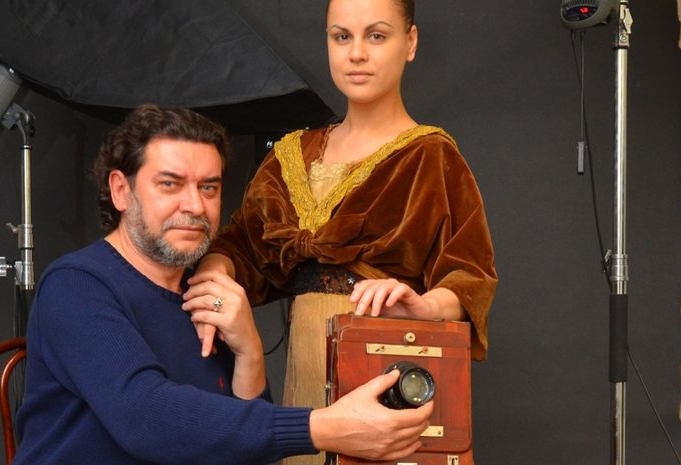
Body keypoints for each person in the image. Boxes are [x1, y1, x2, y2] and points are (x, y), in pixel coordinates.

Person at [12, 103, 434, 465]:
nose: (195, 205)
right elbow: (144, 417)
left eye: (208, 187)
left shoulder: (209, 294)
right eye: (170, 184)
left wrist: (249, 352)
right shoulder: (77, 286)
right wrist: (325, 427)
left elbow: (248, 453)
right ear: (121, 191)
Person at [193, 2, 497, 462]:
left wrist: (426, 306)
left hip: (388, 368)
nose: (356, 53)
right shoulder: (291, 154)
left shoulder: (432, 156)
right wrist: (213, 276)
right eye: (342, 36)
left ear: (410, 42)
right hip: (304, 382)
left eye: (376, 36)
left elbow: (470, 274)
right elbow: (241, 248)